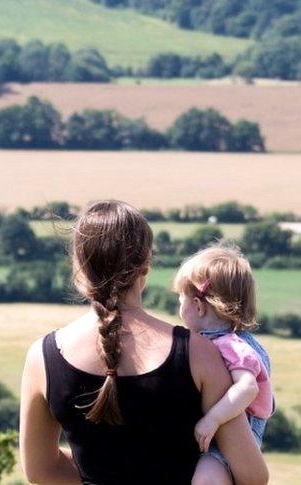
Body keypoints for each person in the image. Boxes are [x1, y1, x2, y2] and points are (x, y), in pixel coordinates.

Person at [19, 200, 268, 484]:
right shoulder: (199, 354)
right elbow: (251, 475)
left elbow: (41, 470)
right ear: (146, 264)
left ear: (78, 266)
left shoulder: (43, 356)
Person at [173, 245, 274, 484]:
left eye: (180, 299)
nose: (178, 306)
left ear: (198, 306)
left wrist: (213, 420)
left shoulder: (230, 345)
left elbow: (248, 388)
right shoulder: (220, 340)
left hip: (229, 445)